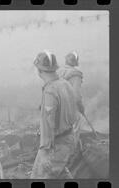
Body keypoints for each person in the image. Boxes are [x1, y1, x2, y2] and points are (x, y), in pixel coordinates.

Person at [30, 51, 78, 179]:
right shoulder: (65, 84)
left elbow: (48, 123)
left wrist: (45, 152)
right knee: (59, 174)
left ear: (40, 70)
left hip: (55, 145)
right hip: (68, 139)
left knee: (39, 178)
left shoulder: (50, 91)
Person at [57, 52, 88, 146]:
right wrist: (81, 107)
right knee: (74, 130)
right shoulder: (76, 75)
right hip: (70, 107)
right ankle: (72, 153)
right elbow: (76, 96)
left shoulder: (58, 72)